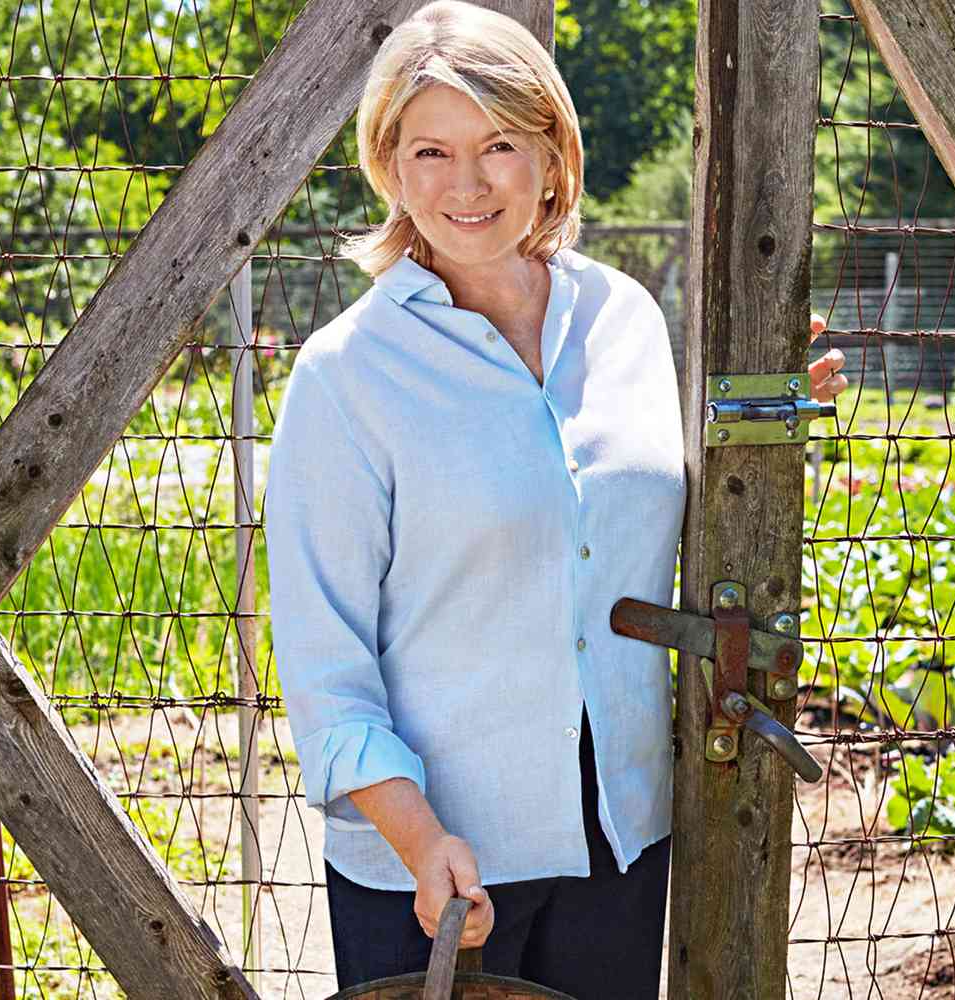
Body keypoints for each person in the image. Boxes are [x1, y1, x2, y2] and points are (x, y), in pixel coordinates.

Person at [263, 3, 848, 996]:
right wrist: (420, 838)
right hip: (437, 867)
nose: (467, 183)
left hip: (620, 840)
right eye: (431, 151)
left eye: (498, 143)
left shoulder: (625, 320)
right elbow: (328, 670)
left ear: (550, 153)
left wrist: (773, 397)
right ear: (390, 166)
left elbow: (675, 488)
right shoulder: (345, 374)